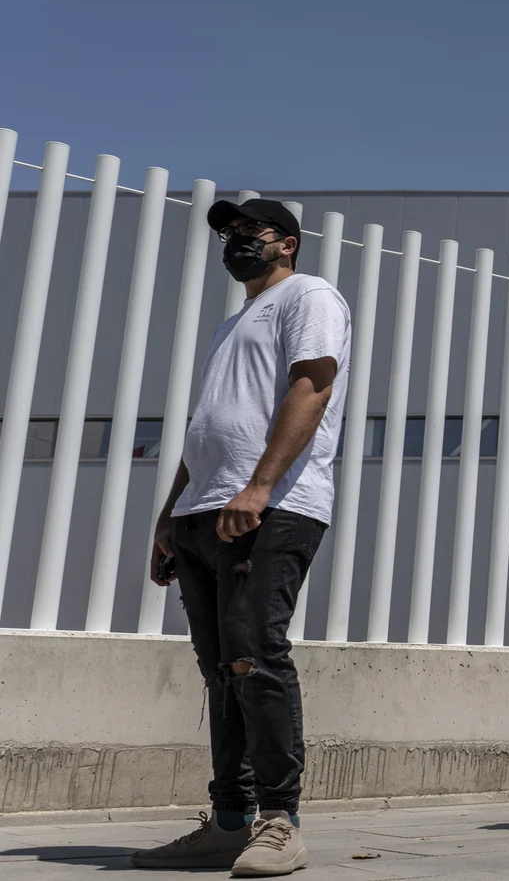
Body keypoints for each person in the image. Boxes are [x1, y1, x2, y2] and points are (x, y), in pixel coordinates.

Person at [133, 198, 350, 876]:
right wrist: (173, 513)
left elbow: (312, 388)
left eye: (246, 231)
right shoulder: (233, 322)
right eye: (226, 233)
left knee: (255, 657)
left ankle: (280, 820)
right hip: (204, 510)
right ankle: (229, 820)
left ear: (286, 242)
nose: (233, 241)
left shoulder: (309, 295)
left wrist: (257, 487)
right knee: (219, 671)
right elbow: (208, 425)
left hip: (272, 505)